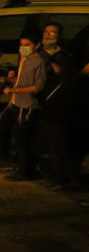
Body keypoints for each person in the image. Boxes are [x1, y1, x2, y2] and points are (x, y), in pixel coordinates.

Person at [0, 33, 46, 181]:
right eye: (22, 44)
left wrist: (14, 90)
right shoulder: (24, 59)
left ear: (36, 45)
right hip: (14, 103)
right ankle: (7, 160)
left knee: (21, 138)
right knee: (2, 128)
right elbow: (21, 79)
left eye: (27, 45)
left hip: (27, 105)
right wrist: (8, 80)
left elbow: (38, 87)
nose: (23, 48)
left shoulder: (38, 62)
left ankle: (25, 171)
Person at [38, 22, 80, 188]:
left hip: (56, 108)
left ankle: (61, 177)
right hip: (40, 102)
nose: (48, 35)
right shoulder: (37, 53)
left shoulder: (64, 57)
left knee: (58, 144)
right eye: (46, 31)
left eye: (52, 32)